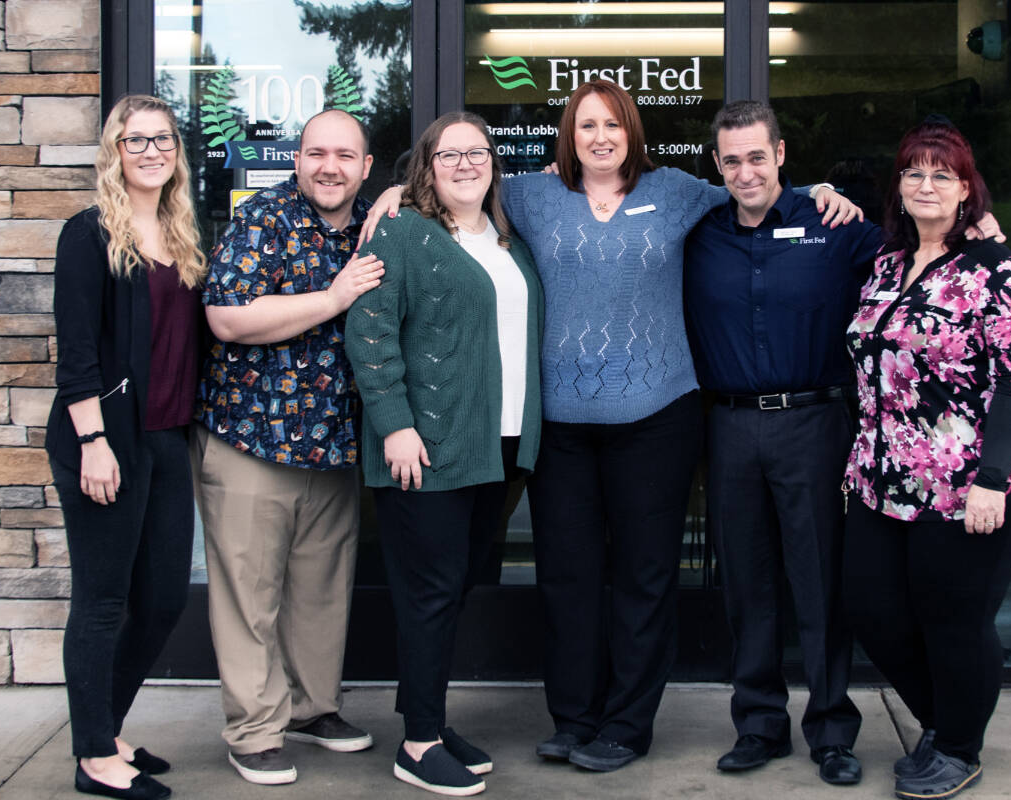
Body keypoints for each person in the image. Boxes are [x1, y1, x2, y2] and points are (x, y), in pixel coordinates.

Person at [360, 81, 854, 774]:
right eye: (586, 124)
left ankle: (626, 723)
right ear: (569, 133)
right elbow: (452, 192)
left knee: (645, 576)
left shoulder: (678, 190)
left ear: (631, 132)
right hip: (560, 426)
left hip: (658, 420)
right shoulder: (531, 196)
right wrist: (390, 195)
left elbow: (756, 197)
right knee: (567, 576)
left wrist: (821, 189)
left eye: (612, 124)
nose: (599, 136)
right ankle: (574, 718)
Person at [841, 118, 1011, 800]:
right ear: (898, 187)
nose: (925, 184)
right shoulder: (886, 265)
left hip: (971, 481)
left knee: (952, 619)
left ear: (966, 190)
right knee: (873, 610)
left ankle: (958, 745)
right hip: (881, 477)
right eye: (913, 172)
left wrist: (990, 482)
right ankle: (954, 709)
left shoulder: (997, 270)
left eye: (942, 174)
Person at [344, 111, 544, 796]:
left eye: (477, 152)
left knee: (455, 588)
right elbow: (369, 332)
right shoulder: (402, 233)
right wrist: (395, 424)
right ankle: (419, 745)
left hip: (498, 445)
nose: (465, 164)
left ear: (495, 163)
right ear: (425, 168)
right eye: (448, 154)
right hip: (425, 444)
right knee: (429, 592)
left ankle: (425, 716)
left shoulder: (507, 238)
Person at [683, 100, 880, 786]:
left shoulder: (834, 225)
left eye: (756, 157)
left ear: (782, 154)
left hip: (815, 424)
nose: (745, 172)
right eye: (731, 160)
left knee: (819, 580)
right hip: (730, 426)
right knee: (747, 582)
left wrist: (985, 227)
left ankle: (830, 730)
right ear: (717, 165)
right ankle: (759, 724)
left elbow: (925, 252)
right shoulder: (698, 231)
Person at [191, 109, 384, 786]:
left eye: (345, 155)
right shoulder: (264, 220)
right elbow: (227, 316)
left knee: (321, 592)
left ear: (366, 167)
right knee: (249, 594)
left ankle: (314, 708)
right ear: (297, 160)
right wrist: (331, 299)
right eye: (316, 152)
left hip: (332, 445)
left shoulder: (373, 228)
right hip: (251, 437)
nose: (329, 166)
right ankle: (254, 728)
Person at [45, 94, 208, 800]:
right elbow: (77, 352)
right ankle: (94, 755)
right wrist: (93, 441)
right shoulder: (88, 235)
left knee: (165, 597)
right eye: (135, 140)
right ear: (115, 151)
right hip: (105, 439)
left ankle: (103, 728)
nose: (150, 151)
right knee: (104, 600)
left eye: (162, 139)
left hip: (167, 437)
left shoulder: (182, 232)